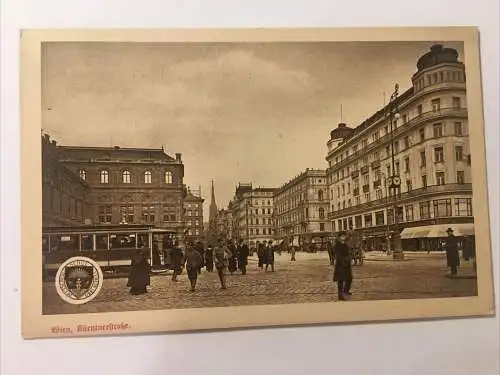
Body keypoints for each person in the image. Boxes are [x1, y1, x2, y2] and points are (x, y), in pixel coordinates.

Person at [333, 231, 353, 301]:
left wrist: (349, 258)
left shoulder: (345, 244)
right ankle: (341, 296)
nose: (343, 237)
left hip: (346, 265)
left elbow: (348, 253)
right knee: (340, 282)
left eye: (344, 236)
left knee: (349, 279)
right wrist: (344, 262)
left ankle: (345, 292)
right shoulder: (338, 245)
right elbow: (339, 256)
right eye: (342, 236)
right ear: (339, 237)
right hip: (341, 266)